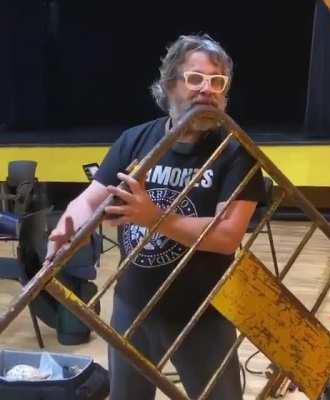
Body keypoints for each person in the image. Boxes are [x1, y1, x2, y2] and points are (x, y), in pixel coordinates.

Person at [46, 34, 265, 400]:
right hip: (133, 307)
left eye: (217, 82)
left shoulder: (236, 151)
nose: (206, 89)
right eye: (195, 79)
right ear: (169, 86)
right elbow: (88, 201)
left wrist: (154, 217)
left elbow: (228, 236)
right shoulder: (134, 140)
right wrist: (69, 229)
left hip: (203, 314)